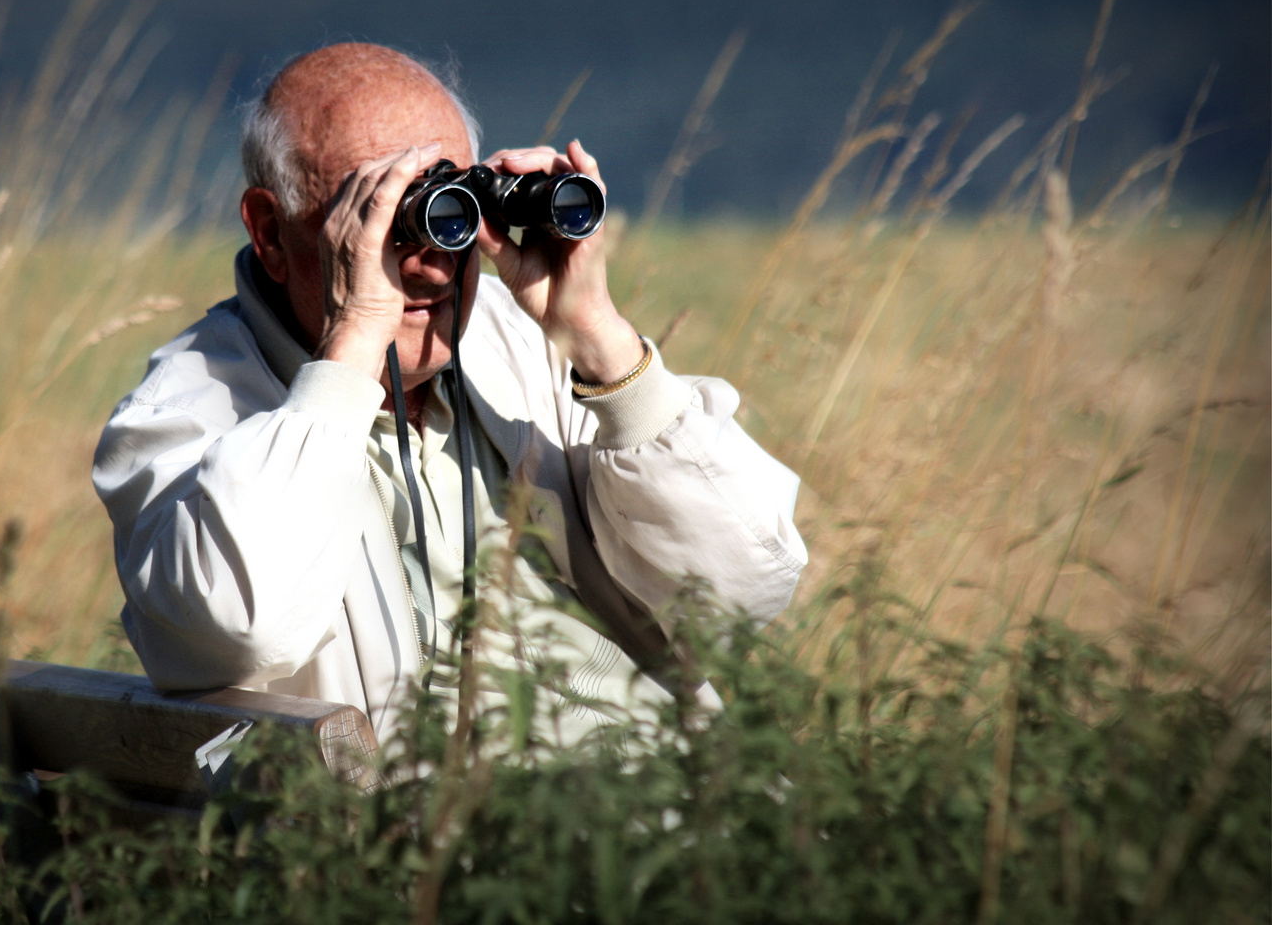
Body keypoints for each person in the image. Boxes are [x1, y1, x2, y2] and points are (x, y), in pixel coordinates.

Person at [93, 43, 807, 745]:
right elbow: (238, 628)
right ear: (271, 233)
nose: (431, 262)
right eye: (376, 219)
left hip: (671, 804)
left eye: (451, 207)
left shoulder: (531, 343)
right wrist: (349, 358)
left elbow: (745, 592)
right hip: (448, 839)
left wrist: (599, 339)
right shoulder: (187, 408)